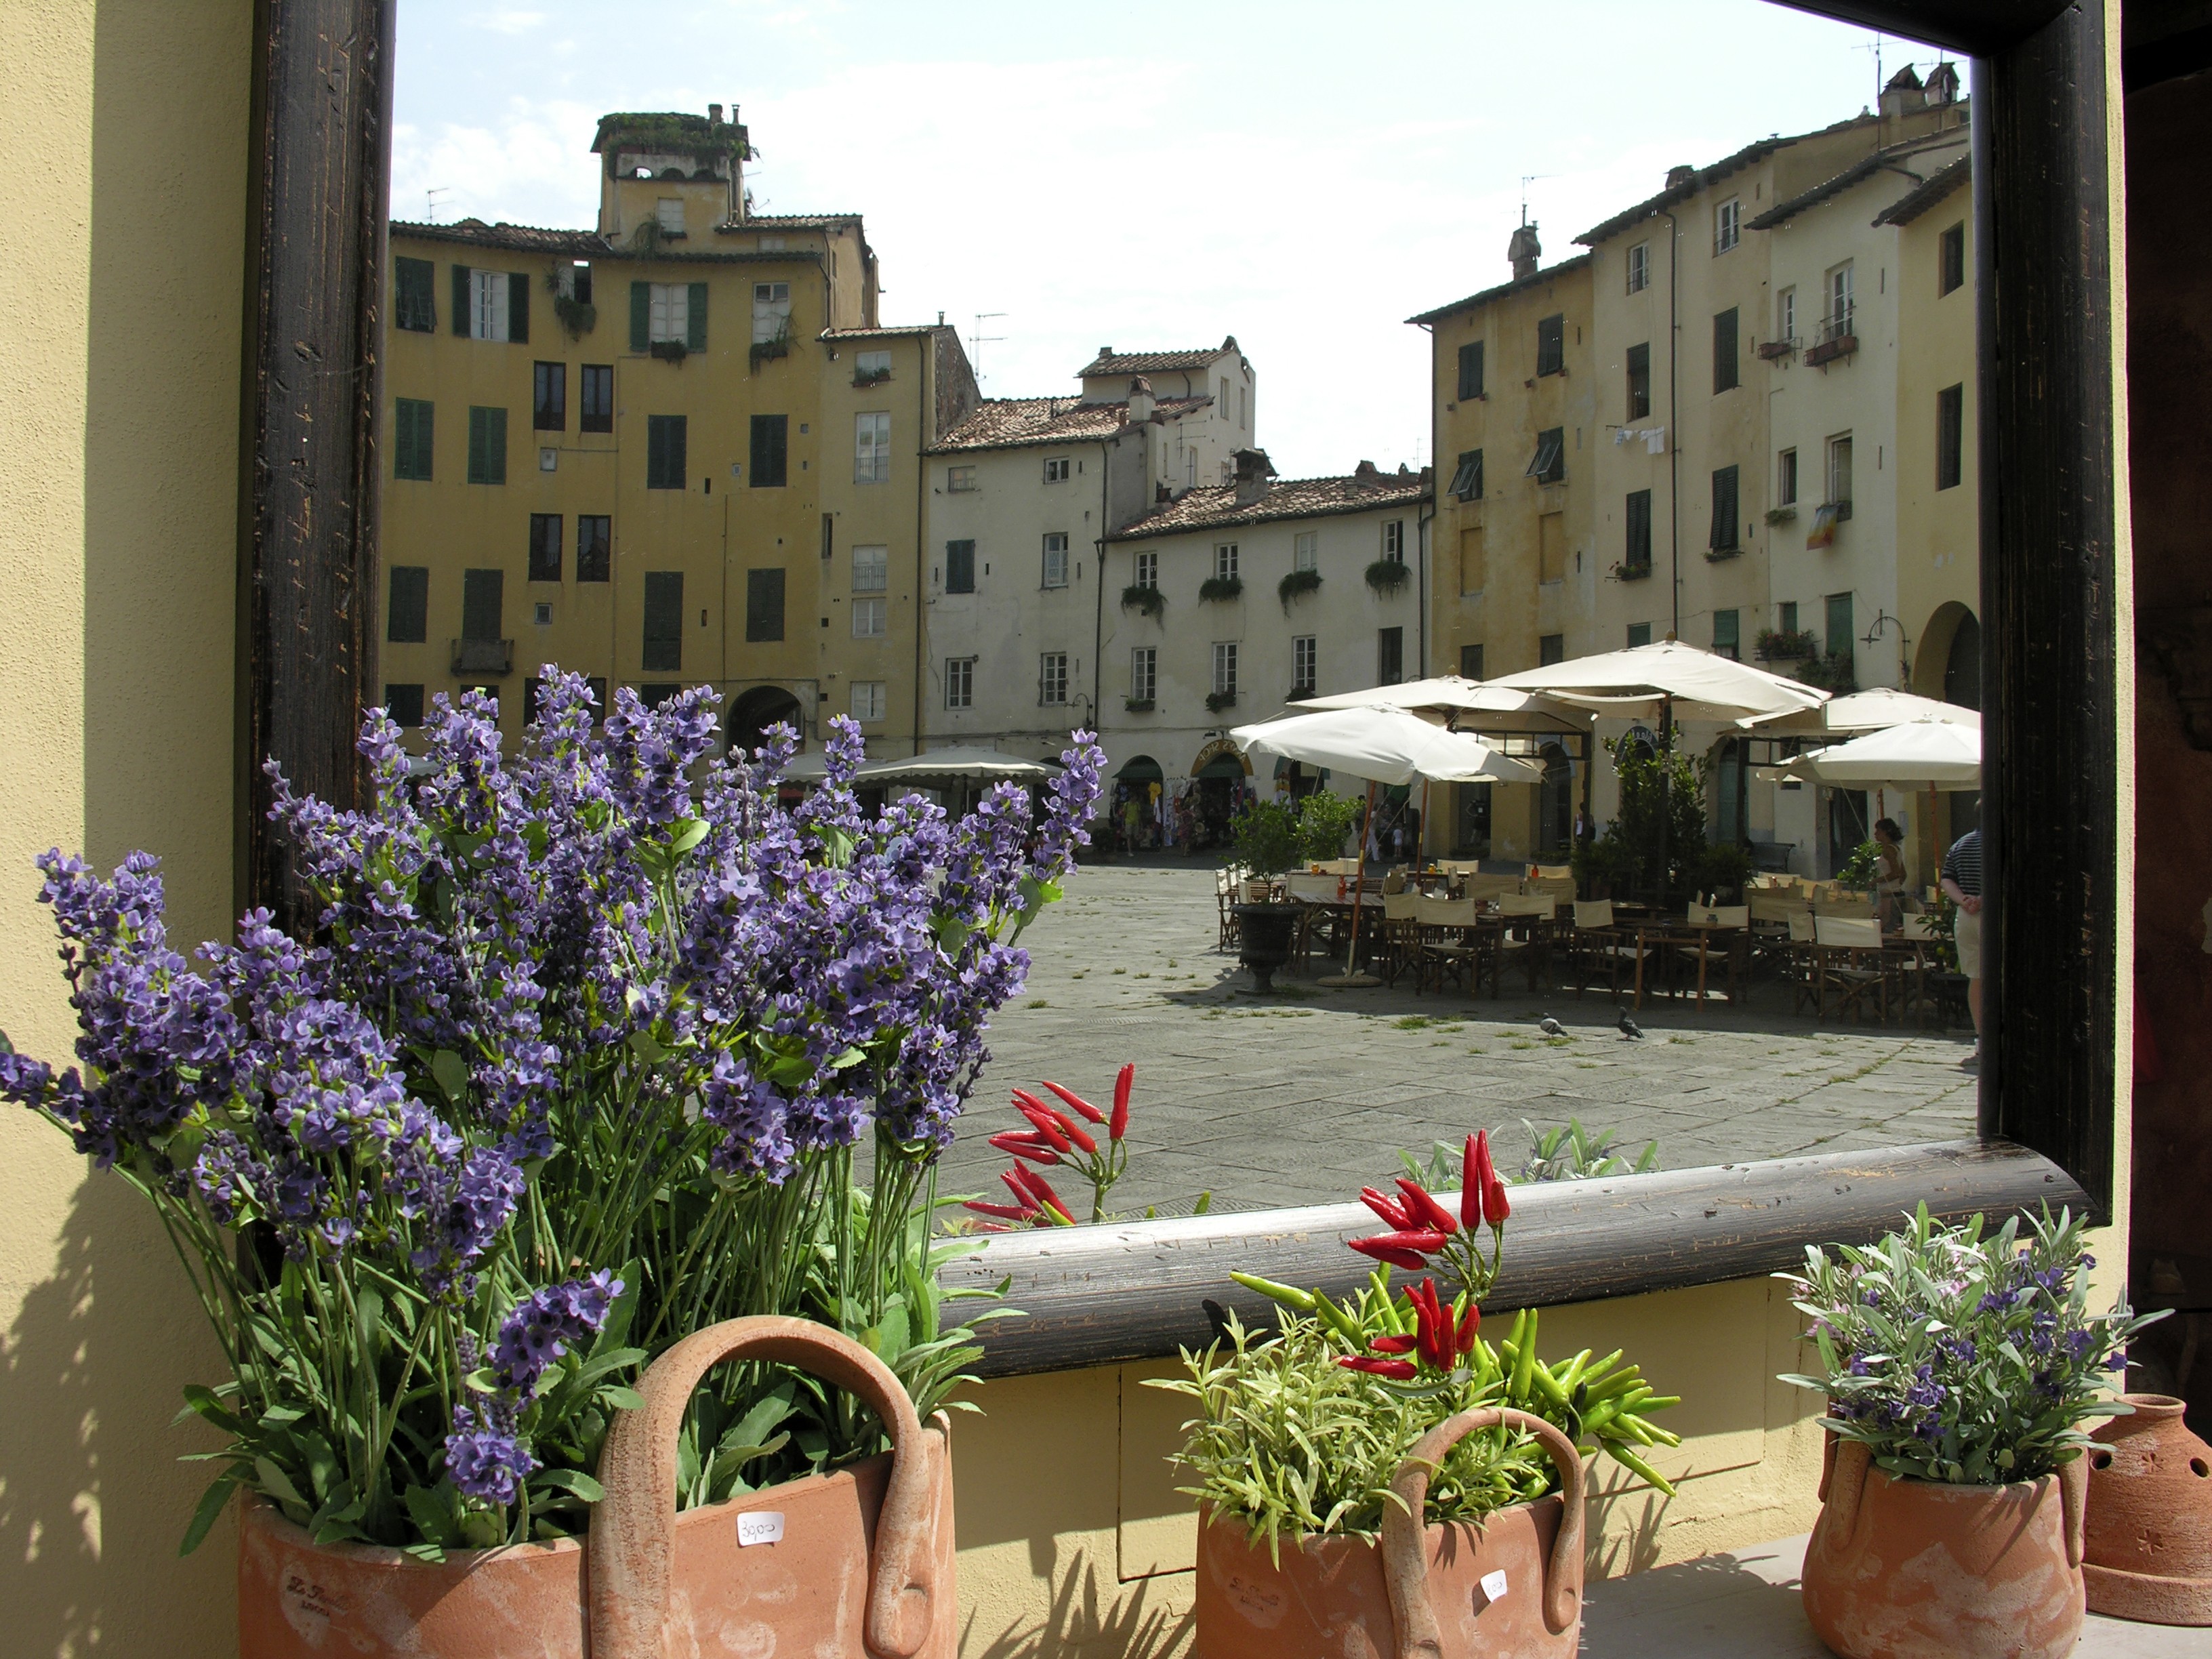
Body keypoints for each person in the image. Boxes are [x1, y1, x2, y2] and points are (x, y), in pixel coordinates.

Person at [1940, 826, 1983, 1069]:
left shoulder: (1960, 845)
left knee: (1976, 977)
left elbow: (1947, 878)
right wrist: (1982, 899)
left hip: (1965, 916)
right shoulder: (1998, 841)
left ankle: (1981, 1040)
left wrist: (1964, 900)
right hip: (1992, 911)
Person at [1872, 817, 1908, 934]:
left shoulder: (1888, 850)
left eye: (1878, 831)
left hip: (1889, 896)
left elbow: (1896, 873)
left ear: (1885, 832)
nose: (1876, 834)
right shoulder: (1896, 849)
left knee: (1887, 928)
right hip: (1894, 893)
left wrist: (1876, 881)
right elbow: (1903, 874)